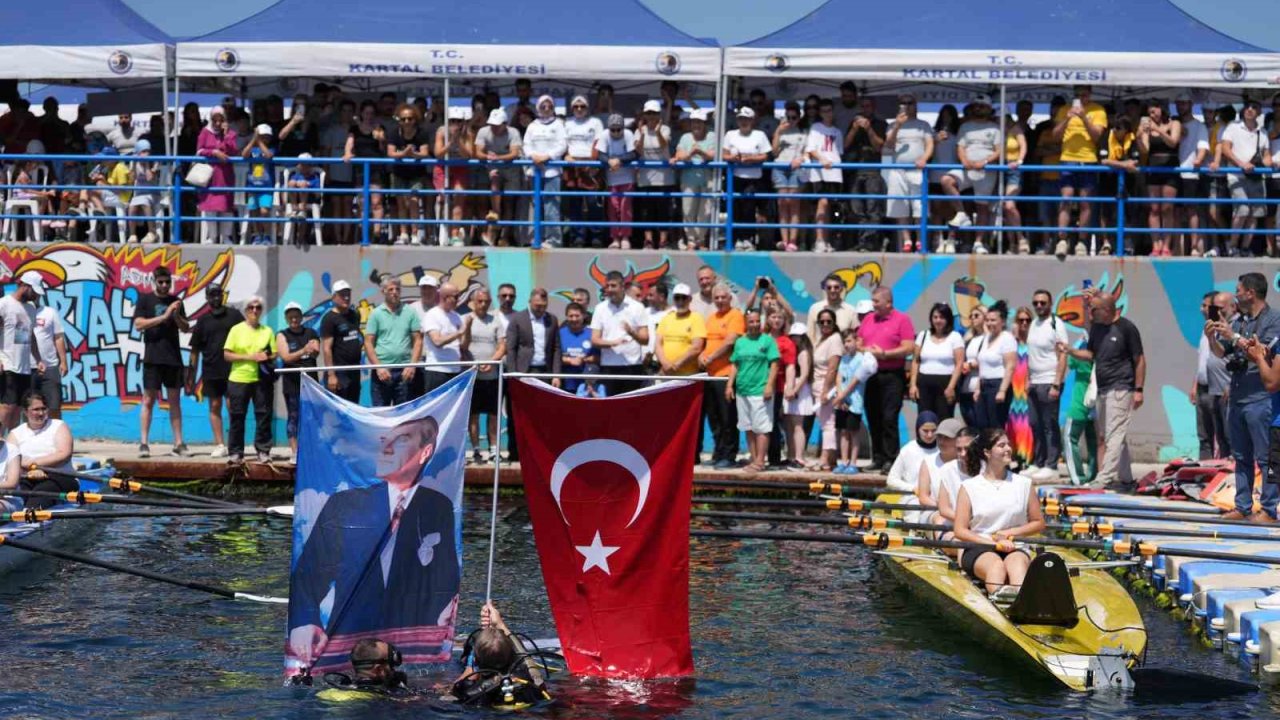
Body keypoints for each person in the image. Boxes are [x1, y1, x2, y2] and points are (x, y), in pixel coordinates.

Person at [288, 415, 459, 672]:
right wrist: (304, 621)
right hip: (350, 644)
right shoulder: (344, 505)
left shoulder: (438, 507)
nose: (386, 448)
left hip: (412, 648)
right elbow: (308, 574)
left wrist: (447, 609)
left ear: (425, 452)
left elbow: (445, 578)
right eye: (384, 440)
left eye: (400, 440)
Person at [1206, 273, 1280, 520]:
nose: (1236, 294)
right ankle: (1243, 506)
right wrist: (1212, 338)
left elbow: (1262, 355)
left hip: (1261, 399)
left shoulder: (1273, 320)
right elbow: (1221, 353)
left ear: (1250, 293)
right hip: (1237, 397)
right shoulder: (1240, 321)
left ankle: (1269, 509)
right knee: (1241, 456)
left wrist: (1233, 338)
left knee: (1267, 456)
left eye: (1238, 290)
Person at [1060, 289, 1145, 492]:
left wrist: (1139, 389)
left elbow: (1139, 359)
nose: (1091, 313)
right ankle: (1126, 480)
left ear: (1107, 310)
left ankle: (1105, 477)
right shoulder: (1098, 328)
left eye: (1094, 309)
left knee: (1114, 434)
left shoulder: (1126, 328)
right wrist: (1070, 350)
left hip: (1121, 387)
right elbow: (1090, 354)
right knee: (1114, 435)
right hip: (1103, 388)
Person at [953, 429, 1046, 596]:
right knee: (996, 567)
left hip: (1014, 545)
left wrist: (1008, 533)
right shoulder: (969, 487)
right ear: (987, 452)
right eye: (1001, 445)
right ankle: (1001, 598)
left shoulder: (1024, 484)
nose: (1008, 448)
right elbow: (959, 530)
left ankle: (1022, 602)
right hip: (979, 547)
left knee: (1017, 566)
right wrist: (992, 543)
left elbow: (1038, 522)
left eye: (1008, 444)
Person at [448, 602, 551, 709]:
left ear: (476, 661)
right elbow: (529, 664)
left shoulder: (471, 694)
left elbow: (454, 690)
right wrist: (501, 625)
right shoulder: (528, 683)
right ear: (512, 657)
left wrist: (471, 666)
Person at [857, 287, 915, 472]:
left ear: (888, 303)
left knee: (889, 417)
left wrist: (885, 354)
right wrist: (865, 350)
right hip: (871, 375)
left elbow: (908, 347)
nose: (873, 305)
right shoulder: (868, 319)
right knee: (873, 416)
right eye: (872, 301)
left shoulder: (902, 319)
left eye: (876, 301)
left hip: (892, 375)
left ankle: (892, 459)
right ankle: (878, 458)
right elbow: (859, 342)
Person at [133, 267, 188, 457]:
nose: (164, 285)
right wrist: (163, 317)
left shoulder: (176, 301)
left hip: (173, 358)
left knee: (175, 401)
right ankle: (144, 443)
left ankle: (179, 443)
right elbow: (139, 324)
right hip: (152, 358)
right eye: (161, 282)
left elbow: (186, 327)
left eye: (167, 282)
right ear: (154, 281)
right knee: (148, 400)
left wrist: (176, 316)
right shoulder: (145, 300)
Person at [186, 283, 244, 458]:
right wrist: (191, 374)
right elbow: (195, 349)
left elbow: (248, 333)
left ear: (222, 296)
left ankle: (235, 444)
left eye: (218, 294)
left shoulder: (234, 315)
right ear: (207, 298)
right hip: (211, 371)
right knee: (215, 406)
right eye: (212, 295)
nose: (215, 298)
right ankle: (220, 444)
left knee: (232, 407)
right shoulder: (203, 321)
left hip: (233, 369)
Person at [504, 289, 561, 461]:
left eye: (543, 306)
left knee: (543, 416)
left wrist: (556, 375)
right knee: (517, 414)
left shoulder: (552, 320)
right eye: (537, 306)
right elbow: (511, 348)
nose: (540, 309)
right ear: (530, 302)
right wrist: (514, 374)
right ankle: (515, 453)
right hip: (523, 373)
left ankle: (542, 453)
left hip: (544, 372)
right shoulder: (517, 319)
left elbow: (556, 348)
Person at [1052, 86, 1108, 257]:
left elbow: (1097, 136)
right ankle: (1062, 240)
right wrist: (1066, 120)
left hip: (1088, 160)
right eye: (1077, 95)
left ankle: (1082, 242)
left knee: (1085, 203)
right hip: (1067, 158)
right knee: (1066, 198)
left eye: (1083, 95)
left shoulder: (1098, 110)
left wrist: (1083, 117)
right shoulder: (1064, 109)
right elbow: (1055, 136)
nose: (1080, 98)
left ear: (1090, 94)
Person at [222, 297, 275, 465]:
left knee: (263, 415)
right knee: (237, 416)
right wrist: (250, 357)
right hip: (239, 378)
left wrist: (265, 355)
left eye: (258, 307)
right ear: (245, 311)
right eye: (251, 308)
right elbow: (227, 354)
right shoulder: (236, 330)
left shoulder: (267, 331)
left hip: (261, 379)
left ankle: (263, 450)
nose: (254, 311)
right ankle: (236, 452)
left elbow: (274, 353)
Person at [1213, 99, 1270, 257]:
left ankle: (1244, 248)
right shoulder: (1233, 127)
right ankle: (1232, 247)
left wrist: (1268, 164)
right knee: (1243, 209)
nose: (1250, 109)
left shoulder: (1262, 132)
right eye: (1247, 107)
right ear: (1243, 110)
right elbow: (1225, 148)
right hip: (1236, 176)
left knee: (1254, 213)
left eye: (1254, 107)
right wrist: (1241, 164)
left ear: (1259, 111)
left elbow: (1266, 155)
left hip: (1257, 177)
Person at [726, 310, 779, 474]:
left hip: (760, 391)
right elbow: (735, 364)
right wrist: (729, 385)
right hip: (742, 390)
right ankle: (754, 459)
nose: (755, 325)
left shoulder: (767, 341)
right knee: (748, 427)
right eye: (751, 322)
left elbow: (775, 364)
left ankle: (760, 461)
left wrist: (769, 385)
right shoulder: (740, 342)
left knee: (762, 428)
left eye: (757, 321)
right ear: (746, 323)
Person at [1025, 290, 1069, 480]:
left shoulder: (1056, 324)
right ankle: (1038, 462)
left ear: (1050, 304)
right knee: (1035, 424)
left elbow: (1063, 354)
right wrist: (1028, 379)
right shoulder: (1034, 324)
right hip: (1034, 382)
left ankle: (1052, 465)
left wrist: (1056, 384)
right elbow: (1031, 354)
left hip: (1050, 380)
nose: (1039, 306)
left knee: (1049, 425)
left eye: (1043, 302)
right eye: (1036, 303)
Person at [700, 284, 745, 468]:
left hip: (726, 375)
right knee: (714, 418)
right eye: (716, 298)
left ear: (729, 298)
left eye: (723, 297)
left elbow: (730, 342)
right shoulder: (711, 318)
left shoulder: (735, 316)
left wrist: (710, 357)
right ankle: (718, 453)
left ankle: (729, 454)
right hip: (710, 375)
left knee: (728, 418)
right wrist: (701, 356)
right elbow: (704, 342)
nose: (719, 301)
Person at [884, 93, 934, 252]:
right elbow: (888, 145)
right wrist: (898, 125)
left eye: (910, 102)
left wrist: (924, 158)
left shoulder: (923, 124)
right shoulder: (892, 125)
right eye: (903, 103)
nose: (907, 105)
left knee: (919, 205)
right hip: (898, 169)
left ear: (916, 104)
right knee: (900, 205)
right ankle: (906, 240)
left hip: (917, 169)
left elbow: (930, 144)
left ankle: (919, 239)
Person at [364, 275, 424, 406]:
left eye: (397, 289)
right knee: (381, 414)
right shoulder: (376, 314)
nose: (394, 292)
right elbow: (368, 342)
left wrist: (412, 365)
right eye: (390, 289)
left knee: (403, 414)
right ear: (383, 291)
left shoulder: (410, 312)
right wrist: (379, 367)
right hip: (382, 372)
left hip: (404, 372)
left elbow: (418, 340)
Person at [590, 271, 649, 395]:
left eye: (613, 286)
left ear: (622, 287)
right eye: (607, 286)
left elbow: (645, 339)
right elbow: (595, 340)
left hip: (632, 366)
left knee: (631, 407)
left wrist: (632, 332)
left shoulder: (637, 307)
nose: (610, 289)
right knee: (611, 408)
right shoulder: (600, 308)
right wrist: (612, 343)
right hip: (609, 366)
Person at [829, 330, 879, 475]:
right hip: (842, 401)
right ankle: (843, 462)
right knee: (843, 432)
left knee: (853, 433)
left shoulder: (861, 359)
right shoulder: (843, 359)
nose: (847, 344)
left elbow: (854, 381)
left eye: (850, 341)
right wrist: (839, 395)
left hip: (854, 403)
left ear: (857, 342)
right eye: (844, 342)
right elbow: (839, 377)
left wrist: (842, 397)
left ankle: (853, 463)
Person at [722, 107, 772, 251]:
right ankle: (736, 238)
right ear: (737, 120)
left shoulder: (760, 135)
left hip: (753, 178)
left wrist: (750, 158)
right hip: (735, 178)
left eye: (747, 119)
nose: (744, 121)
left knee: (749, 209)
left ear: (753, 120)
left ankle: (748, 238)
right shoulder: (730, 134)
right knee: (735, 208)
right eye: (741, 118)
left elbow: (765, 155)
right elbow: (724, 155)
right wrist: (732, 158)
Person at [465, 287, 506, 463]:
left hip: (492, 376)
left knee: (493, 415)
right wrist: (474, 364)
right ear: (473, 302)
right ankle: (475, 450)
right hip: (472, 376)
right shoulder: (465, 320)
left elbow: (502, 346)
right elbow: (462, 346)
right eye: (480, 301)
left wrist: (490, 361)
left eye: (486, 302)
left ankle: (494, 450)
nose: (483, 304)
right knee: (472, 415)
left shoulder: (496, 321)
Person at [1138, 99, 1182, 257]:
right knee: (1154, 209)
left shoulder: (1174, 123)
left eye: (1154, 111)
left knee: (1167, 208)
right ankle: (1156, 245)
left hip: (1171, 167)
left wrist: (1158, 130)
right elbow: (1145, 150)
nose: (1152, 114)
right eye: (1149, 112)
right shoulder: (1146, 126)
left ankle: (1166, 245)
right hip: (1153, 167)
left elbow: (1173, 142)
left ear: (1162, 109)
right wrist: (1139, 136)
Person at [523, 95, 568, 248]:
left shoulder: (559, 124)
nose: (547, 109)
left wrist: (546, 157)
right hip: (534, 171)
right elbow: (526, 145)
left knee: (551, 206)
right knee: (536, 205)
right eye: (543, 106)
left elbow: (562, 145)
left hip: (552, 171)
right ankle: (537, 236)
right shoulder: (532, 126)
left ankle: (553, 239)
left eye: (550, 106)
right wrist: (533, 156)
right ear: (538, 108)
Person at [387, 103, 435, 246]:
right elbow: (390, 153)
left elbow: (425, 153)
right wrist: (404, 153)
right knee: (401, 203)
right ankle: (403, 234)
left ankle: (414, 234)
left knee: (413, 201)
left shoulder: (422, 133)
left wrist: (412, 154)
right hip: (399, 172)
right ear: (399, 120)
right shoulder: (394, 133)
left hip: (416, 172)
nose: (407, 122)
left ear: (415, 119)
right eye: (403, 119)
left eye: (410, 118)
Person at [277, 302, 319, 463]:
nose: (294, 319)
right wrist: (303, 350)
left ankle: (310, 450)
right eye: (291, 317)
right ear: (287, 318)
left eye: (296, 316)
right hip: (292, 383)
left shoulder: (311, 332)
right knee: (293, 416)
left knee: (310, 417)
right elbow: (286, 357)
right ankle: (294, 451)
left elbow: (315, 351)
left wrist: (311, 350)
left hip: (311, 384)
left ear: (301, 317)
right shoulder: (281, 335)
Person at [1193, 291, 1232, 460]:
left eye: (1206, 306)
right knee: (1205, 437)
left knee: (1227, 437)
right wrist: (1194, 385)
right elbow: (1202, 360)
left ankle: (1229, 476)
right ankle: (1206, 475)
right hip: (1203, 389)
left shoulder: (1229, 330)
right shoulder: (1207, 329)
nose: (1203, 309)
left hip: (1221, 390)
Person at [910, 303, 964, 420]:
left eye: (942, 317)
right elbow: (915, 361)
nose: (938, 320)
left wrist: (951, 387)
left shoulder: (955, 337)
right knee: (925, 420)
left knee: (944, 420)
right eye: (935, 317)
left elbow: (959, 364)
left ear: (948, 319)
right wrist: (913, 385)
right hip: (924, 384)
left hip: (945, 384)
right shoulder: (923, 335)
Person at [674, 109, 718, 250]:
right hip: (689, 178)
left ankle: (700, 240)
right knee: (688, 210)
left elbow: (713, 155)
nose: (696, 125)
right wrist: (690, 154)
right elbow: (679, 154)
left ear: (704, 124)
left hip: (707, 177)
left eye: (699, 122)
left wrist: (698, 152)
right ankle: (691, 240)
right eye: (694, 122)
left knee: (705, 211)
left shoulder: (712, 136)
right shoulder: (685, 137)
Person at [916, 418, 970, 529]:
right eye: (939, 437)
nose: (941, 441)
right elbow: (923, 497)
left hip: (964, 515)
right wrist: (944, 508)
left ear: (959, 439)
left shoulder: (970, 462)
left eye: (947, 438)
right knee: (940, 520)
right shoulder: (928, 462)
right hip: (934, 511)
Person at [195, 107, 238, 244]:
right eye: (215, 120)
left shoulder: (231, 134)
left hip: (225, 175)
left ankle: (226, 237)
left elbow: (233, 150)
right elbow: (199, 151)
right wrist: (213, 152)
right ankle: (212, 237)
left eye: (221, 120)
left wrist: (226, 135)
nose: (218, 124)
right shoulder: (205, 132)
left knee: (226, 206)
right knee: (210, 206)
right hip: (210, 176)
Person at [810, 308, 844, 471]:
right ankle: (831, 459)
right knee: (826, 422)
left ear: (834, 323)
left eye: (828, 321)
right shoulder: (822, 339)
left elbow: (832, 368)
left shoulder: (835, 339)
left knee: (827, 424)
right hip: (817, 385)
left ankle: (824, 459)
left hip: (826, 386)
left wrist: (825, 391)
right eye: (821, 322)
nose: (825, 324)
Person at [320, 280, 364, 404]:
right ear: (334, 297)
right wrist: (331, 375)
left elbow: (356, 335)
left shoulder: (354, 315)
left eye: (348, 294)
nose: (346, 297)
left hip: (354, 371)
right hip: (339, 373)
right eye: (342, 294)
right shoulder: (329, 319)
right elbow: (327, 348)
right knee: (337, 414)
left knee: (353, 409)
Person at [1063, 334, 1097, 486]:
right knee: (1094, 442)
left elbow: (1071, 362)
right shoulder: (1104, 348)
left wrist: (1075, 346)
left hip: (1081, 402)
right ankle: (1093, 477)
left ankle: (1078, 479)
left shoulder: (1083, 346)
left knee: (1069, 438)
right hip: (1097, 404)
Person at [655, 283, 707, 378]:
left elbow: (697, 347)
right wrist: (665, 364)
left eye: (684, 298)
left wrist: (676, 365)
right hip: (666, 373)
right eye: (677, 298)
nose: (680, 301)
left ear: (690, 299)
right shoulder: (667, 318)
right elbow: (658, 344)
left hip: (687, 375)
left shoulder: (696, 318)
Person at [783, 322, 815, 470]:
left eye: (798, 336)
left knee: (797, 425)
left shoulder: (803, 353)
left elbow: (804, 375)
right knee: (789, 425)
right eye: (793, 336)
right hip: (791, 388)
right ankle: (791, 455)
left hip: (799, 390)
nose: (795, 339)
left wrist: (795, 390)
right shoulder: (794, 352)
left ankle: (799, 457)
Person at [30, 297, 66, 420]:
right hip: (26, 368)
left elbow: (59, 337)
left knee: (54, 406)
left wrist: (63, 361)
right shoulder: (21, 312)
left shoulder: (50, 312)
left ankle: (56, 435)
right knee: (28, 407)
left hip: (50, 366)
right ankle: (31, 437)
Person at [885, 410, 939, 492]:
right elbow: (891, 480)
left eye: (933, 430)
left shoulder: (942, 450)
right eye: (925, 431)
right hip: (912, 497)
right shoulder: (908, 450)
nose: (930, 435)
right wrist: (913, 488)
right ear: (918, 429)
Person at [806, 274, 856, 344]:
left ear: (841, 288)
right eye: (829, 287)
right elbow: (810, 335)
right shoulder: (815, 308)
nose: (832, 290)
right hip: (819, 353)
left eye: (836, 287)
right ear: (825, 289)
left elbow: (854, 336)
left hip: (842, 353)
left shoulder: (851, 310)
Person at [557, 302, 595, 395]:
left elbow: (598, 358)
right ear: (566, 316)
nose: (574, 319)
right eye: (571, 316)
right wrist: (569, 360)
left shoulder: (592, 334)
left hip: (587, 385)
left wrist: (584, 359)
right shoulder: (559, 334)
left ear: (583, 316)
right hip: (564, 384)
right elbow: (553, 357)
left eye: (577, 316)